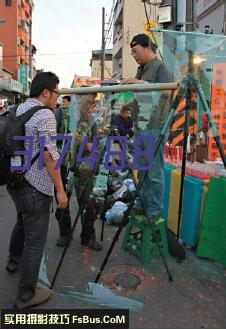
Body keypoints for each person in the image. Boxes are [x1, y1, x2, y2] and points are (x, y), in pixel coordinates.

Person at [6, 71, 68, 308]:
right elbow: (49, 155)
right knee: (35, 241)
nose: (57, 99)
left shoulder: (19, 109)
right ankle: (25, 296)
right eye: (56, 94)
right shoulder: (45, 115)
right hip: (34, 185)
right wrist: (60, 191)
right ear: (45, 92)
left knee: (22, 222)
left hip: (15, 180)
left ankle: (13, 261)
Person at [122, 33, 171, 223]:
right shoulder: (140, 69)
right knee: (142, 168)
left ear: (147, 47)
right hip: (141, 126)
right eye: (132, 52)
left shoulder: (159, 66)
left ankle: (154, 210)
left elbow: (166, 89)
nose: (134, 55)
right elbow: (137, 95)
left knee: (154, 170)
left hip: (155, 126)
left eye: (136, 51)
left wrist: (139, 83)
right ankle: (142, 203)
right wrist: (124, 104)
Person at [55, 95, 102, 251]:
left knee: (87, 203)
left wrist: (92, 149)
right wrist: (69, 136)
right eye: (86, 103)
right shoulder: (62, 114)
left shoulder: (91, 120)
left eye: (91, 104)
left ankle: (88, 236)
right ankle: (65, 234)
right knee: (63, 201)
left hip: (84, 166)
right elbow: (50, 137)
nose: (88, 107)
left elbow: (97, 142)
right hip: (64, 164)